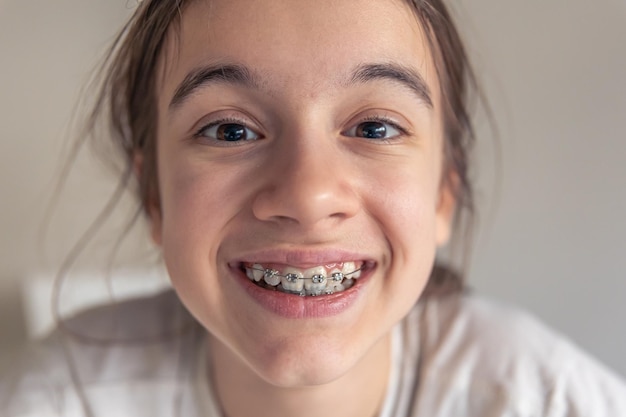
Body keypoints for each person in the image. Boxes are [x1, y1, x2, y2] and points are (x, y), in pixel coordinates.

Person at [2, 0, 625, 416]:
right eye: (229, 131)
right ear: (155, 196)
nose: (308, 195)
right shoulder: (65, 397)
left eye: (376, 128)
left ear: (444, 192)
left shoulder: (546, 400)